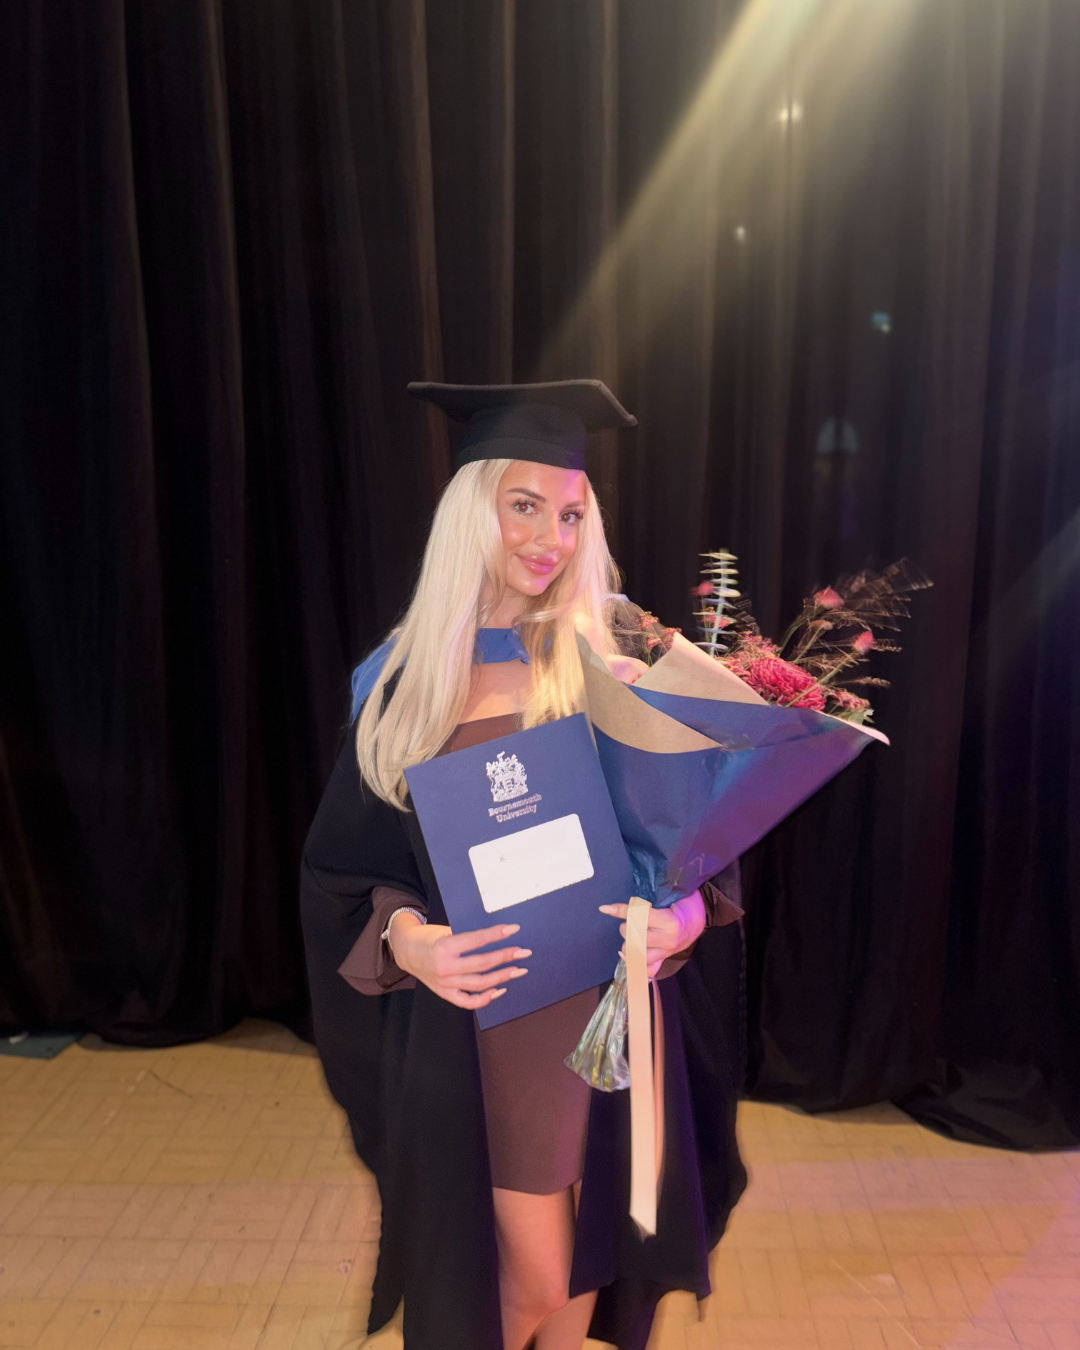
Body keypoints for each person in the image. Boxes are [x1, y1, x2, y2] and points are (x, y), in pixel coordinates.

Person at [300, 381, 747, 1350]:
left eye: (571, 514)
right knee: (534, 1276)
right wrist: (411, 943)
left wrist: (682, 921)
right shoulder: (404, 681)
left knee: (587, 1270)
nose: (551, 538)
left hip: (611, 1011)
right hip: (487, 1026)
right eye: (525, 506)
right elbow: (349, 868)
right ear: (474, 511)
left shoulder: (614, 658)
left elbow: (698, 840)